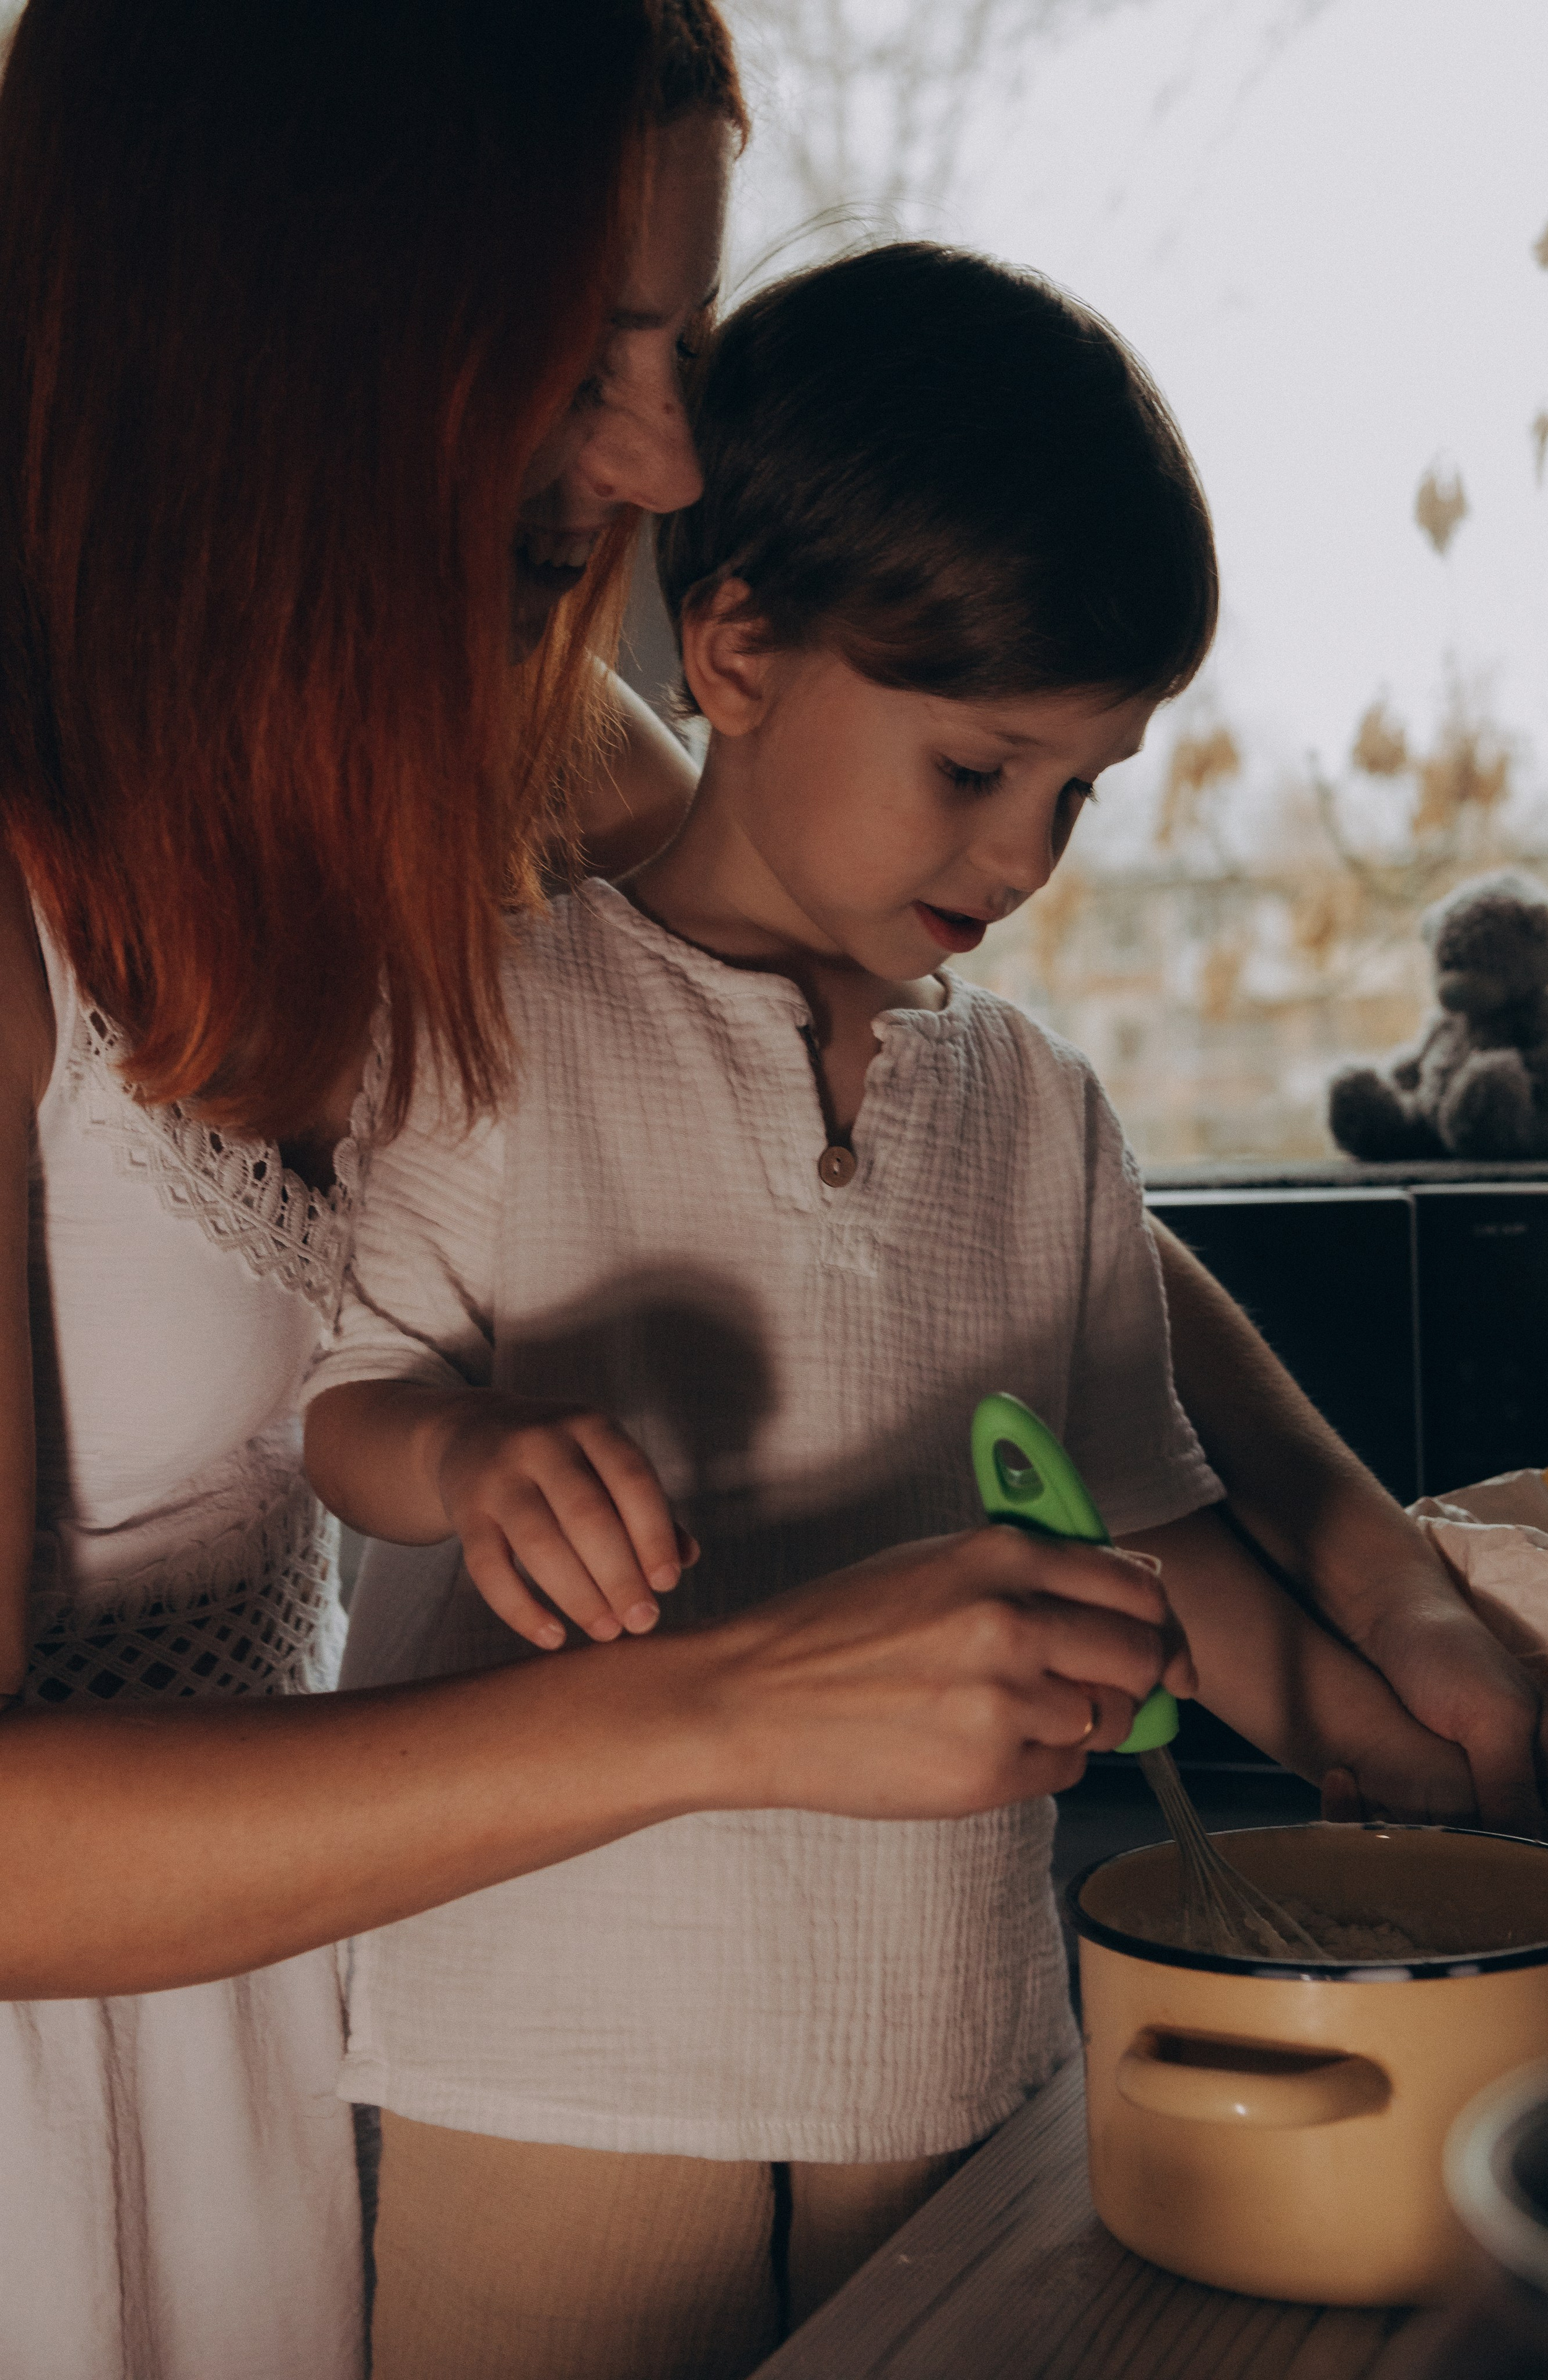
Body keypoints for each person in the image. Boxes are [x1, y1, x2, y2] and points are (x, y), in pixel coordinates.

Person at [0, 9, 1209, 2376]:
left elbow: (884, 1078)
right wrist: (731, 1702)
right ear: (279, 327)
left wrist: (1358, 1545)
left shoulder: (464, 703)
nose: (670, 456)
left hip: (278, 2015)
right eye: (595, 352)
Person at [301, 244, 1513, 2380]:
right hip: (550, 2059)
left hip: (949, 2059)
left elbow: (1146, 1514)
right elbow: (347, 1397)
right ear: (737, 645)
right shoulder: (502, 1017)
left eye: (1081, 789)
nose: (1029, 850)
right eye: (975, 771)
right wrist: (468, 1456)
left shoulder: (1041, 1109)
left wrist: (1343, 1731)